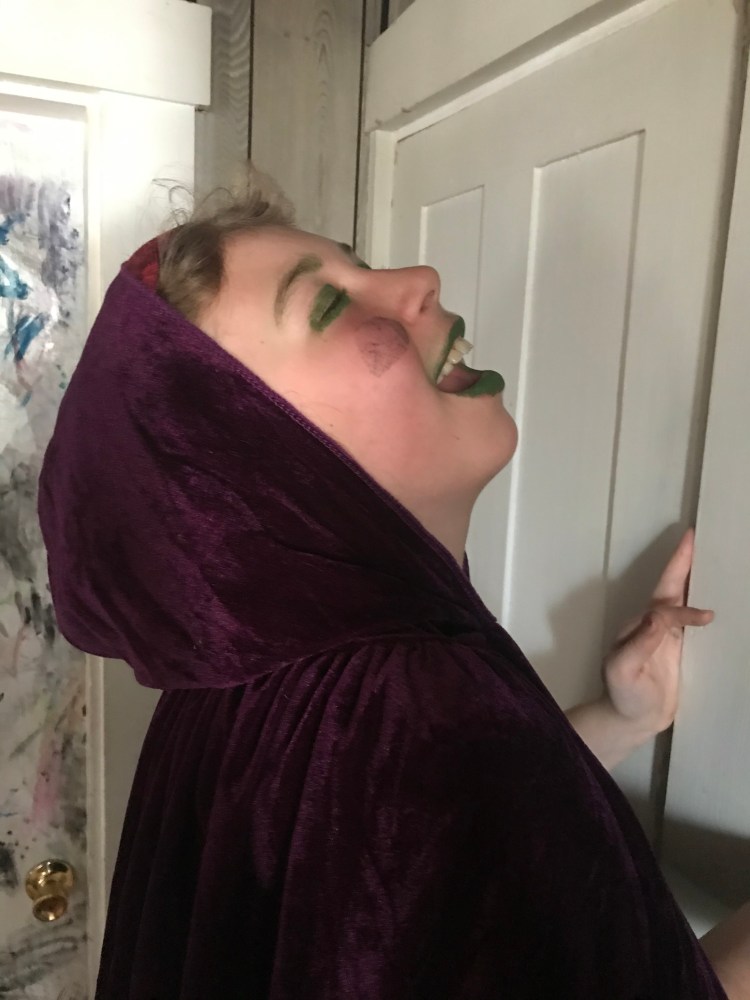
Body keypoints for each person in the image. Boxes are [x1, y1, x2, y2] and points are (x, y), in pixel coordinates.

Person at [38, 172, 747, 998]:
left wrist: (621, 720)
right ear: (253, 469)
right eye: (329, 307)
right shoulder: (409, 700)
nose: (420, 281)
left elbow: (431, 835)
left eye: (362, 265)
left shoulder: (248, 685)